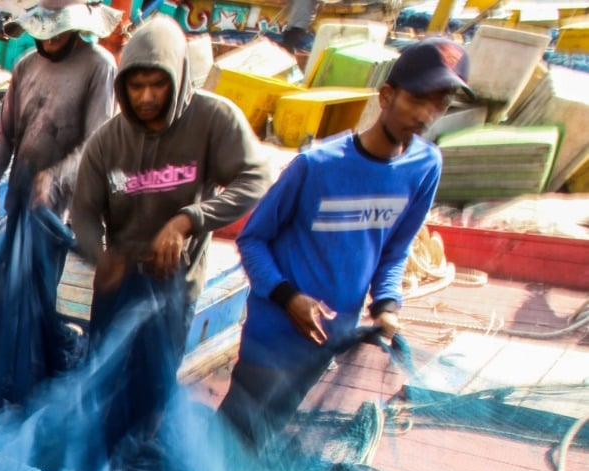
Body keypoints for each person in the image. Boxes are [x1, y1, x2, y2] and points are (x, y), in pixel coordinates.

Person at [221, 38, 467, 445]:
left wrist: (387, 305)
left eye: (439, 104)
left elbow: (394, 251)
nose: (426, 115)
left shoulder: (426, 167)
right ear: (387, 95)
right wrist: (288, 298)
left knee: (268, 431)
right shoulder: (315, 166)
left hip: (329, 339)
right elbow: (253, 240)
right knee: (233, 433)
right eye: (417, 99)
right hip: (273, 334)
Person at [70, 16, 272, 350]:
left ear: (178, 78)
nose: (146, 97)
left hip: (175, 286)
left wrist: (188, 220)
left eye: (157, 85)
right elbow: (84, 212)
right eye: (136, 86)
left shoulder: (213, 119)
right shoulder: (106, 142)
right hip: (118, 284)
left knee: (154, 392)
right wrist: (98, 254)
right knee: (101, 388)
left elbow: (257, 178)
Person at [0, 0, 119, 227]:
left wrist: (54, 179)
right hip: (17, 196)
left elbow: (96, 145)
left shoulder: (100, 66)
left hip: (57, 210)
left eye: (58, 32)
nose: (50, 40)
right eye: (44, 33)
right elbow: (4, 133)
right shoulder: (25, 65)